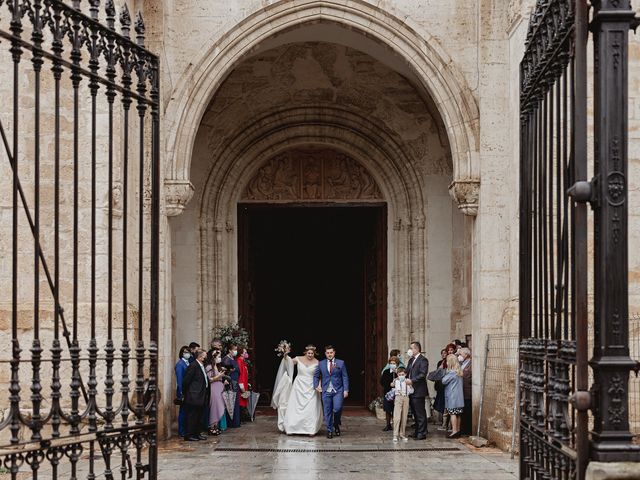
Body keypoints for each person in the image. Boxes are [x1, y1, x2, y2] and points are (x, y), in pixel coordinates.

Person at [272, 344, 323, 435]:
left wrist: (319, 385)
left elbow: (319, 376)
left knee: (311, 407)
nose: (310, 355)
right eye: (308, 353)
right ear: (305, 353)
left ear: (314, 353)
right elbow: (288, 363)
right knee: (295, 406)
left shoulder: (317, 362)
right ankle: (292, 428)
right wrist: (285, 355)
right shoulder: (298, 359)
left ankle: (310, 429)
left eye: (312, 353)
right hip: (299, 385)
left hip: (311, 387)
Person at [313, 345, 349, 439]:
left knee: (337, 409)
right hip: (326, 390)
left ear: (334, 353)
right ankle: (329, 430)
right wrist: (316, 385)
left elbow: (345, 376)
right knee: (327, 411)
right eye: (327, 353)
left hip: (338, 390)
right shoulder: (321, 363)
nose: (329, 354)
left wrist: (346, 390)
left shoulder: (341, 363)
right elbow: (316, 376)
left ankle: (336, 423)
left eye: (331, 352)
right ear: (325, 354)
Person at [182, 348, 209, 441]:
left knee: (199, 416)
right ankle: (189, 434)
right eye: (205, 356)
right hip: (194, 396)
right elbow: (186, 381)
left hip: (202, 395)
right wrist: (188, 393)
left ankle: (197, 433)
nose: (206, 358)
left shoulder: (201, 365)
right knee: (192, 416)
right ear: (200, 357)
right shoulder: (193, 366)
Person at [405, 341, 429, 439]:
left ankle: (422, 433)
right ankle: (417, 431)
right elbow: (407, 372)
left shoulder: (423, 360)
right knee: (415, 412)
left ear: (417, 349)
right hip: (411, 390)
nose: (410, 350)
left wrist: (412, 380)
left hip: (419, 390)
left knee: (420, 413)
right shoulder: (411, 360)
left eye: (411, 348)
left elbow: (423, 374)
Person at [205, 349, 228, 435]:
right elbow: (209, 379)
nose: (219, 358)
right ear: (213, 357)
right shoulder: (209, 367)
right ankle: (211, 427)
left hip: (219, 389)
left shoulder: (216, 366)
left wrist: (223, 381)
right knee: (214, 407)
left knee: (219, 407)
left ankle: (215, 426)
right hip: (214, 390)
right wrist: (219, 376)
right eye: (218, 357)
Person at [442, 353, 464, 438]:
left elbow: (444, 381)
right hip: (459, 397)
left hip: (452, 397)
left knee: (452, 414)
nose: (446, 363)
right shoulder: (459, 372)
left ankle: (454, 431)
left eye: (447, 361)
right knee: (458, 414)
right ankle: (458, 430)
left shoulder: (451, 373)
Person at [221, 343, 241, 428]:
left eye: (236, 349)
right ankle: (231, 422)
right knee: (230, 402)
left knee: (235, 402)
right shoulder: (226, 359)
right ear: (229, 350)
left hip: (235, 382)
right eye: (234, 349)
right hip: (230, 383)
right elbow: (225, 372)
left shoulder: (233, 359)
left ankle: (236, 422)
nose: (235, 351)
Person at [391, 366, 413, 443]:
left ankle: (402, 434)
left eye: (402, 374)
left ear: (405, 374)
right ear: (397, 375)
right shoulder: (395, 380)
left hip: (406, 397)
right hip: (398, 398)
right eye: (399, 374)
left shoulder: (408, 381)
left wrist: (410, 385)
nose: (401, 376)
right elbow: (392, 385)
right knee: (397, 417)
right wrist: (393, 382)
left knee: (404, 417)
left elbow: (412, 391)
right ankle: (395, 435)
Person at [174, 345, 190, 438]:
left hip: (188, 391)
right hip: (183, 391)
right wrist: (181, 393)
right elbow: (179, 380)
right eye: (185, 352)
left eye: (188, 352)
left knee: (187, 411)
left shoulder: (187, 363)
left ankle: (186, 429)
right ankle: (181, 431)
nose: (187, 354)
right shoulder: (180, 364)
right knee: (183, 412)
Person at [380, 355, 399, 431]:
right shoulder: (386, 372)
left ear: (397, 364)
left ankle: (396, 425)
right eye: (391, 363)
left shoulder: (399, 372)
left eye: (394, 363)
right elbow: (382, 381)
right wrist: (389, 384)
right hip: (388, 393)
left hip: (397, 394)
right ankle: (388, 425)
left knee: (396, 410)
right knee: (388, 409)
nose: (392, 364)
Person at [459, 347, 472, 435]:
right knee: (463, 411)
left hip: (468, 391)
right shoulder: (462, 363)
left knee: (468, 410)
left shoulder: (471, 364)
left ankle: (467, 430)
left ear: (466, 355)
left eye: (461, 354)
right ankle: (463, 429)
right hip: (461, 391)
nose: (459, 356)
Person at [432, 348, 447, 428]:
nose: (443, 355)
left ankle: (444, 423)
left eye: (445, 353)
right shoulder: (440, 363)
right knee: (439, 404)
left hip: (445, 386)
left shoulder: (448, 362)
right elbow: (437, 373)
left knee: (444, 405)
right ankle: (441, 421)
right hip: (439, 386)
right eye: (442, 353)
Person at [237, 346, 250, 413]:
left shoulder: (243, 361)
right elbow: (240, 375)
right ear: (241, 354)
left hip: (244, 384)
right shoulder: (239, 361)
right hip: (241, 385)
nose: (246, 353)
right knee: (240, 402)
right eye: (245, 352)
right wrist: (242, 387)